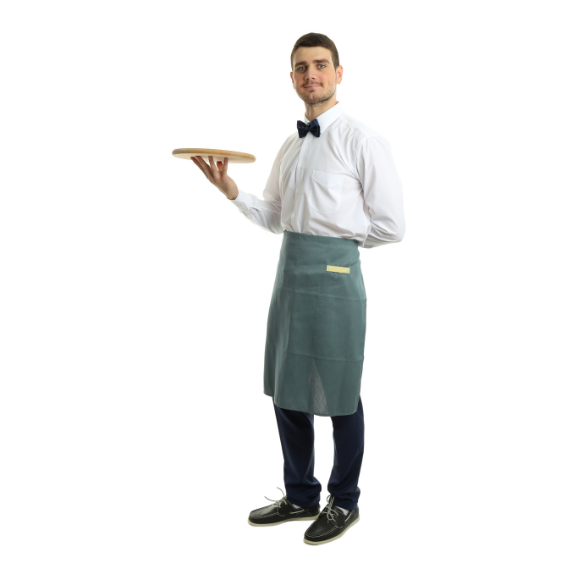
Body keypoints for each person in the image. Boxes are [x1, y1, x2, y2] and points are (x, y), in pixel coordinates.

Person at [190, 32, 406, 546]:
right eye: (302, 68)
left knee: (340, 392)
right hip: (289, 274)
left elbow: (392, 226)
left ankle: (344, 500)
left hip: (336, 277)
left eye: (321, 65)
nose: (312, 75)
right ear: (292, 78)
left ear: (338, 73)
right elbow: (274, 216)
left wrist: (336, 241)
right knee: (288, 390)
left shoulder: (364, 140)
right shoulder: (290, 146)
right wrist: (231, 190)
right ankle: (301, 494)